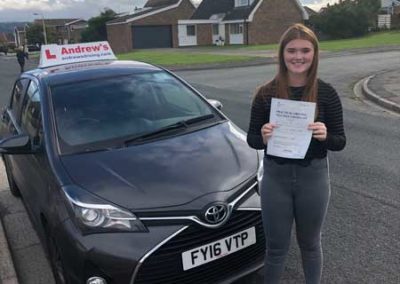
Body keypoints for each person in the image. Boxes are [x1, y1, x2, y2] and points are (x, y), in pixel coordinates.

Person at [247, 23, 346, 284]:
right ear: (282, 54)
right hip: (275, 178)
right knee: (276, 248)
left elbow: (340, 141)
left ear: (314, 54)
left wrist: (325, 135)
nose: (298, 57)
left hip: (312, 177)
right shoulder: (266, 94)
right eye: (291, 50)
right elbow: (252, 140)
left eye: (305, 50)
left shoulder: (326, 93)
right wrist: (264, 136)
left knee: (310, 245)